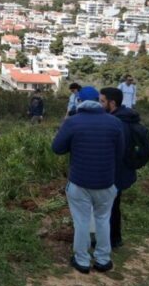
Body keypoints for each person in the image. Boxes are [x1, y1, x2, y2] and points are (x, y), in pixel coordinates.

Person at [52, 86, 124, 274]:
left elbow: (57, 148)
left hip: (80, 182)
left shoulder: (73, 122)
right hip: (106, 183)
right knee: (102, 220)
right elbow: (120, 153)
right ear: (99, 101)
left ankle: (82, 260)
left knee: (82, 221)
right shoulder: (115, 123)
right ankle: (103, 259)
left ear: (79, 101)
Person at [100, 87, 140, 248]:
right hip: (122, 171)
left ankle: (111, 240)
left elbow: (115, 150)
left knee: (109, 207)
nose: (99, 104)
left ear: (112, 103)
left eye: (102, 101)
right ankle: (114, 238)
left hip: (115, 172)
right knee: (113, 206)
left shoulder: (118, 123)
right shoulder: (125, 117)